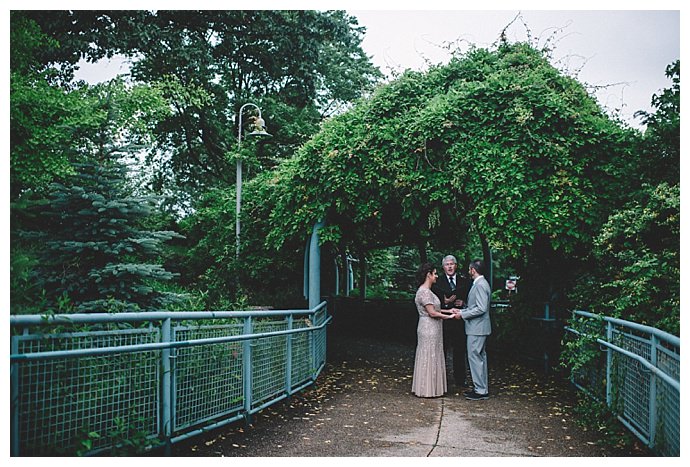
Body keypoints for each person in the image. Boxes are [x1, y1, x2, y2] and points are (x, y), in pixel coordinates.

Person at [412, 262, 460, 398]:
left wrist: (448, 309)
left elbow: (433, 309)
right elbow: (432, 313)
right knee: (429, 355)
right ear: (429, 275)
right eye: (435, 273)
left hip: (431, 327)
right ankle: (427, 389)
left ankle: (430, 387)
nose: (437, 276)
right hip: (429, 328)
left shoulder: (425, 291)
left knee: (432, 354)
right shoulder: (425, 292)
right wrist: (449, 316)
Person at [454, 259, 492, 400]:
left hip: (477, 328)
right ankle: (482, 388)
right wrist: (464, 307)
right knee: (480, 358)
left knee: (475, 357)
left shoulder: (480, 285)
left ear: (473, 270)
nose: (469, 272)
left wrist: (462, 314)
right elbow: (477, 305)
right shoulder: (482, 284)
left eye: (470, 269)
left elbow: (481, 308)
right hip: (479, 328)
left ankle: (480, 390)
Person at [431, 254, 471, 388]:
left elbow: (471, 299)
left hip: (459, 321)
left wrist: (464, 302)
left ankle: (460, 379)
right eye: (447, 264)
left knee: (459, 350)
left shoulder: (464, 281)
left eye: (452, 264)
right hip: (443, 321)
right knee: (442, 350)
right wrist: (445, 302)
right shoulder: (438, 281)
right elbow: (433, 301)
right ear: (443, 267)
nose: (449, 266)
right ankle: (441, 379)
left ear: (456, 266)